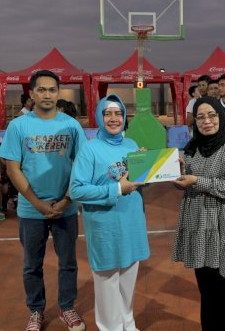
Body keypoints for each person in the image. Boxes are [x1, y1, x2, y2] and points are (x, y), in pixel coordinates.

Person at [0, 70, 87, 331]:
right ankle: (36, 311)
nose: (47, 94)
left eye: (52, 90)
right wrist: (36, 203)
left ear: (58, 93)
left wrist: (67, 199)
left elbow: (82, 165)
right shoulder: (18, 126)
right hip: (30, 209)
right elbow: (13, 169)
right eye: (42, 89)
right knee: (31, 265)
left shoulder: (71, 125)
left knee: (68, 263)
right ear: (32, 93)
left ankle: (67, 307)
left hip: (65, 207)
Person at [172, 96, 225, 331]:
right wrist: (174, 171)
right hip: (199, 226)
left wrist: (197, 180)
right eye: (200, 117)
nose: (206, 121)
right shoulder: (193, 148)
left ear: (220, 116)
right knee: (208, 292)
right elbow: (182, 182)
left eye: (211, 115)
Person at [69, 94, 149, 331]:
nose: (114, 118)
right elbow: (76, 190)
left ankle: (129, 324)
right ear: (99, 116)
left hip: (132, 223)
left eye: (118, 113)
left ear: (124, 117)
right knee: (107, 285)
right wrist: (116, 189)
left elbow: (137, 182)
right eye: (108, 113)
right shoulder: (89, 149)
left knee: (128, 282)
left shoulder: (131, 145)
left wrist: (148, 167)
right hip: (106, 227)